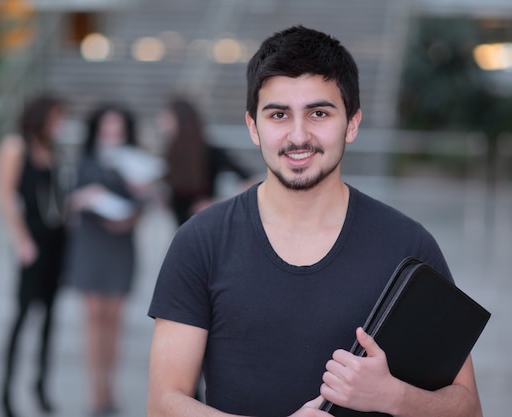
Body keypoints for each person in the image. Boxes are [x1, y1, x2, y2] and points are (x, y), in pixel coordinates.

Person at [147, 25, 484, 417]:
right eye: (278, 115)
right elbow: (163, 403)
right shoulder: (200, 242)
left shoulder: (408, 245)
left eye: (319, 113)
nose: (298, 135)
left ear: (352, 123)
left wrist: (392, 396)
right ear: (253, 127)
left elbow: (468, 408)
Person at [63, 103, 155, 417]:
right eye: (107, 127)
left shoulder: (134, 161)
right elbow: (66, 201)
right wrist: (84, 198)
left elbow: (148, 200)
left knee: (115, 321)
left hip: (120, 245)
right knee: (92, 319)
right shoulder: (84, 159)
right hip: (90, 244)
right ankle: (95, 391)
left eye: (117, 128)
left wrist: (138, 205)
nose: (112, 134)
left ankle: (110, 388)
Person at [0, 94, 66, 417]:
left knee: (51, 319)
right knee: (23, 316)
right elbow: (6, 196)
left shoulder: (52, 149)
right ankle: (6, 392)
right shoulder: (16, 147)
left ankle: (40, 387)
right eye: (55, 116)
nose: (59, 124)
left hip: (58, 241)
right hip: (32, 242)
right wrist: (22, 239)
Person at [159, 96, 254, 226]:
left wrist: (218, 204)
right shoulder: (168, 155)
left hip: (205, 227)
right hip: (177, 229)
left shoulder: (210, 152)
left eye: (167, 118)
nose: (161, 122)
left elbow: (250, 180)